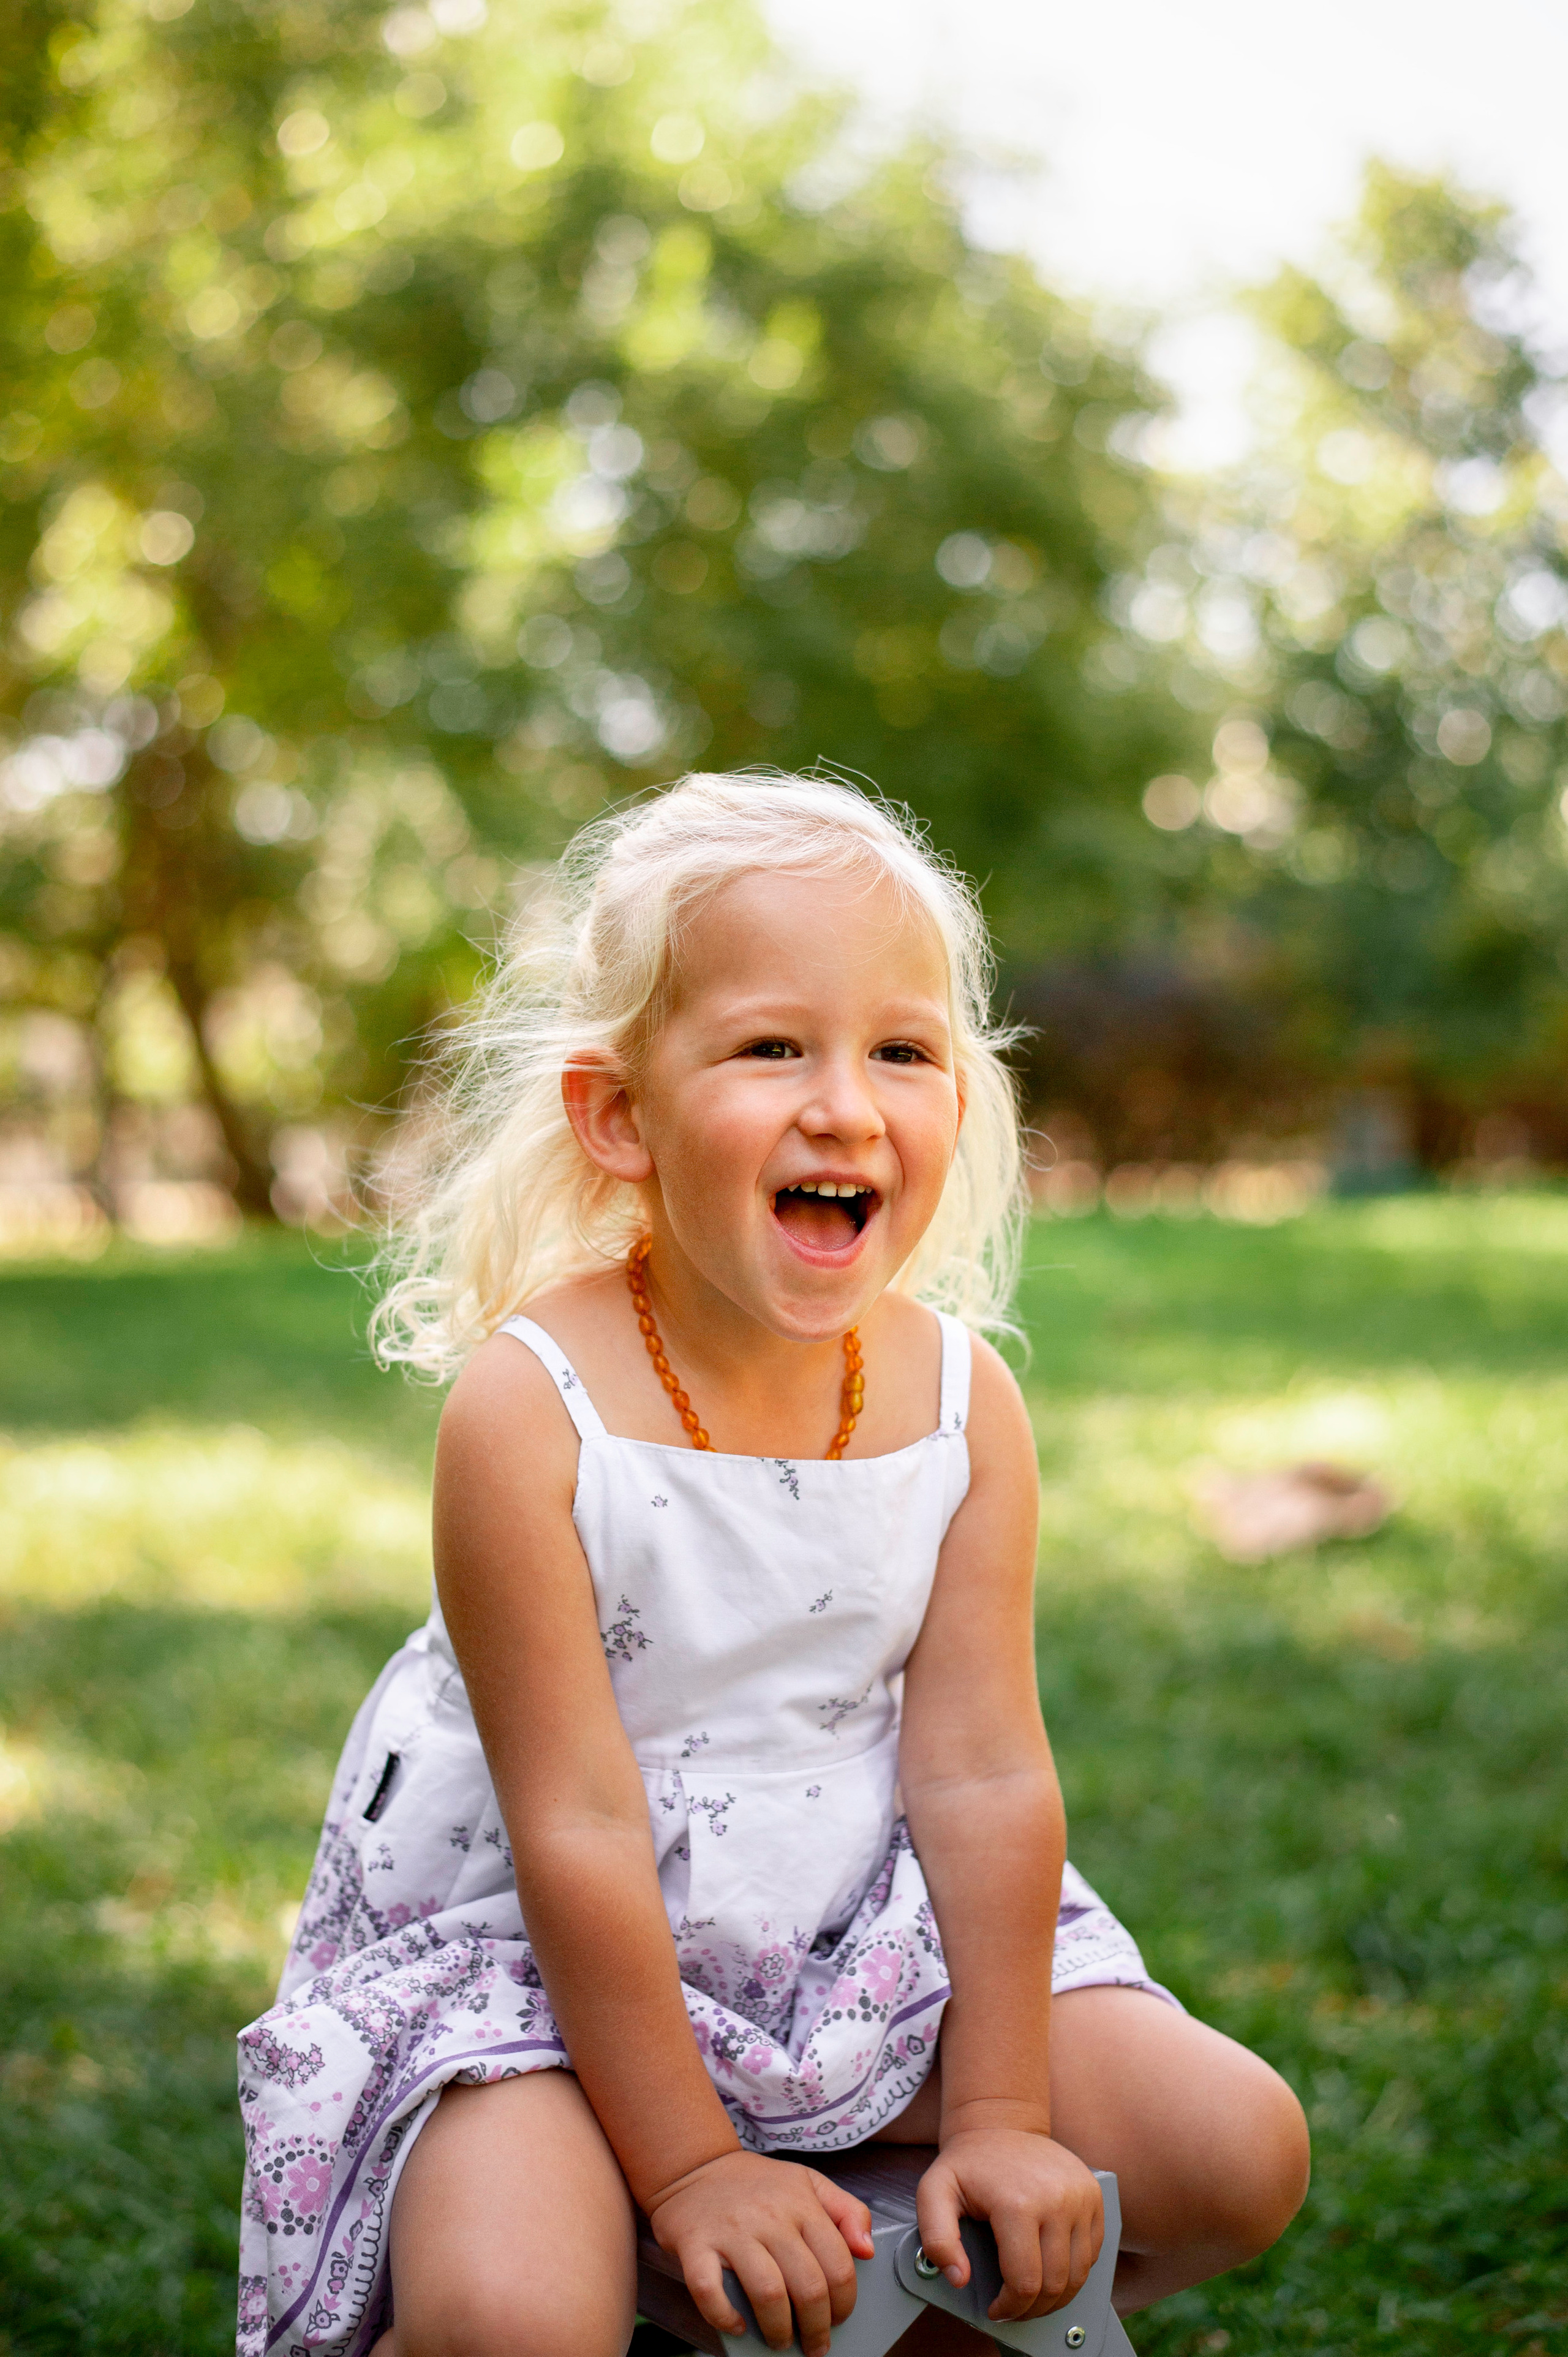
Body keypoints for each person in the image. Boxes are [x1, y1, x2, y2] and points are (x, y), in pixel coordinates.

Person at [237, 773, 1308, 2357]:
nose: (846, 1106)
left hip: (857, 1930)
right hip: (541, 1955)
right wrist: (692, 2170)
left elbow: (986, 1773)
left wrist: (1002, 2113)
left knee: (1236, 2155)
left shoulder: (962, 1406)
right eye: (768, 1048)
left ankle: (895, 2317)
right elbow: (577, 1823)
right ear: (620, 1116)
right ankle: (622, 2242)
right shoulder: (534, 1411)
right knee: (508, 2315)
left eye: (902, 1050)